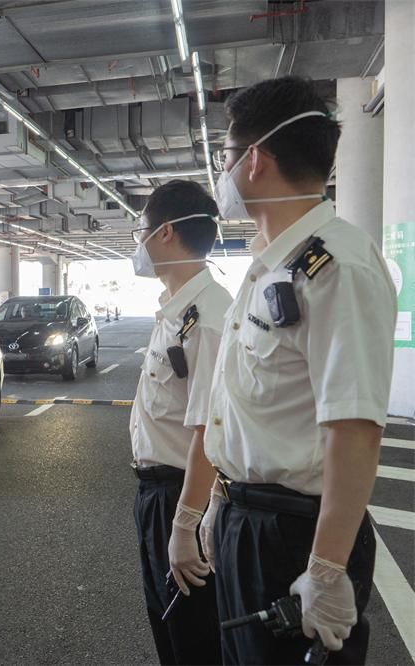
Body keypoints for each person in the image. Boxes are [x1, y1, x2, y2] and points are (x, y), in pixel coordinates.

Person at [201, 76, 396, 665]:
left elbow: (355, 426)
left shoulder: (338, 267)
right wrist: (220, 498)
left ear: (255, 160)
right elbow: (248, 408)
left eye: (226, 157)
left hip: (295, 537)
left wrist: (327, 569)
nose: (224, 172)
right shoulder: (270, 268)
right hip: (249, 521)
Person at [129, 180, 232, 665]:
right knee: (168, 630)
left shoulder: (208, 318)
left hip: (179, 493)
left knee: (194, 642)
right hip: (156, 495)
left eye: (141, 230)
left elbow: (208, 432)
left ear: (165, 232)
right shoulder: (177, 312)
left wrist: (185, 524)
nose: (139, 242)